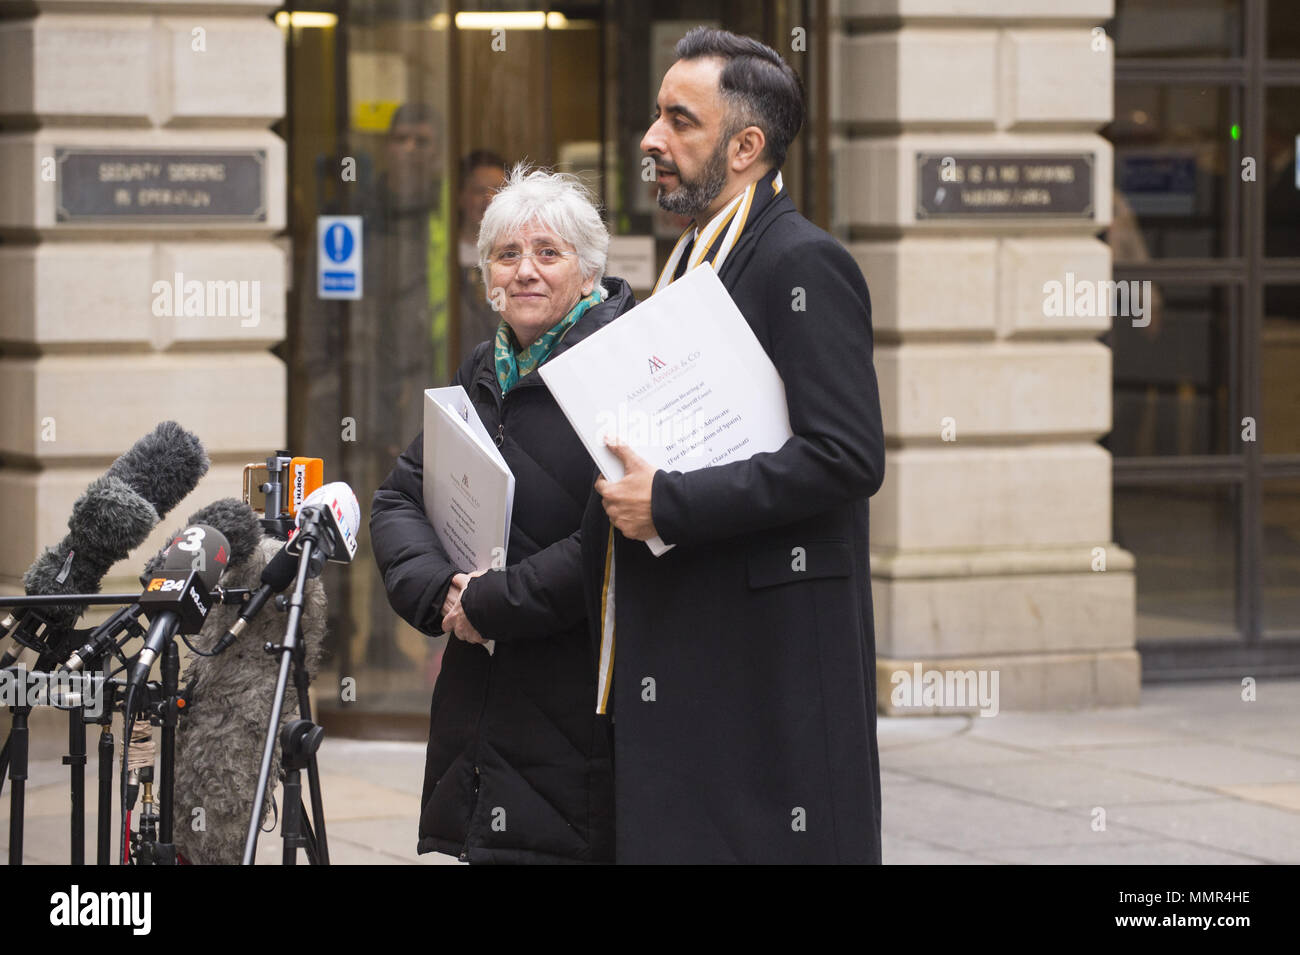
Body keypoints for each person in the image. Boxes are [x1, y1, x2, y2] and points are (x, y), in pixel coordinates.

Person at [581, 27, 886, 863]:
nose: (651, 140)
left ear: (746, 146)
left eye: (680, 120)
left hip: (773, 676)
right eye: (655, 116)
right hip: (699, 657)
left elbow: (848, 457)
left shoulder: (802, 263)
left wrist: (669, 501)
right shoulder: (689, 262)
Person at [371, 166, 633, 863]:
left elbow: (611, 542)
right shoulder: (482, 373)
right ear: (486, 272)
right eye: (507, 255)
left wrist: (493, 602)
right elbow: (398, 498)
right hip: (478, 710)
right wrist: (441, 594)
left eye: (549, 253)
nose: (526, 271)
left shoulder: (621, 371)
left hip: (579, 712)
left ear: (589, 272)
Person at [456, 150, 509, 365]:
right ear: (460, 196)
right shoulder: (442, 256)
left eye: (498, 190)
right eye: (478, 191)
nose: (489, 199)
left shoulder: (521, 259)